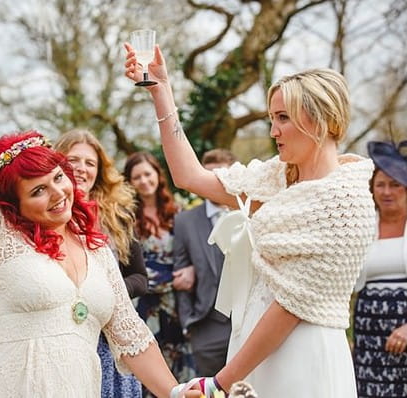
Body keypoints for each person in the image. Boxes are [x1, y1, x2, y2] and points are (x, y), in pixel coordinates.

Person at [0, 47, 203, 398]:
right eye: (39, 190)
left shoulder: (97, 250)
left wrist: (177, 392)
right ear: (16, 203)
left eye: (59, 178)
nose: (58, 193)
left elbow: (131, 335)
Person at [124, 43, 377, 397]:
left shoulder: (345, 202)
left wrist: (219, 383)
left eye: (283, 118)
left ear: (321, 119)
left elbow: (290, 308)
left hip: (301, 354)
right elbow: (189, 177)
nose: (273, 131)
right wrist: (162, 93)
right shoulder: (275, 178)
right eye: (272, 118)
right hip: (251, 347)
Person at [55, 129, 147, 398]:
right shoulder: (43, 212)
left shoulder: (118, 216)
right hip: (64, 338)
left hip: (109, 338)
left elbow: (140, 278)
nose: (82, 169)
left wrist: (105, 293)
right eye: (73, 160)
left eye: (90, 163)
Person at [123, 152, 196, 396]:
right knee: (149, 372)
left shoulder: (178, 212)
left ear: (157, 175)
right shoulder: (126, 216)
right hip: (144, 303)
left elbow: (192, 252)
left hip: (176, 304)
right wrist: (167, 279)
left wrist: (191, 269)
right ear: (129, 182)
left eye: (147, 174)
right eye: (137, 177)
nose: (144, 181)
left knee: (180, 369)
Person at [172, 149, 235, 376]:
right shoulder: (184, 221)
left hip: (246, 322)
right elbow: (180, 272)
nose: (214, 183)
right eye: (208, 176)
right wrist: (188, 322)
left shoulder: (250, 213)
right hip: (205, 326)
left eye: (221, 176)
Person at [353, 140, 407, 397]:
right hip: (368, 340)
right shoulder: (362, 228)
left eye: (395, 184)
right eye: (381, 184)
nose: (387, 192)